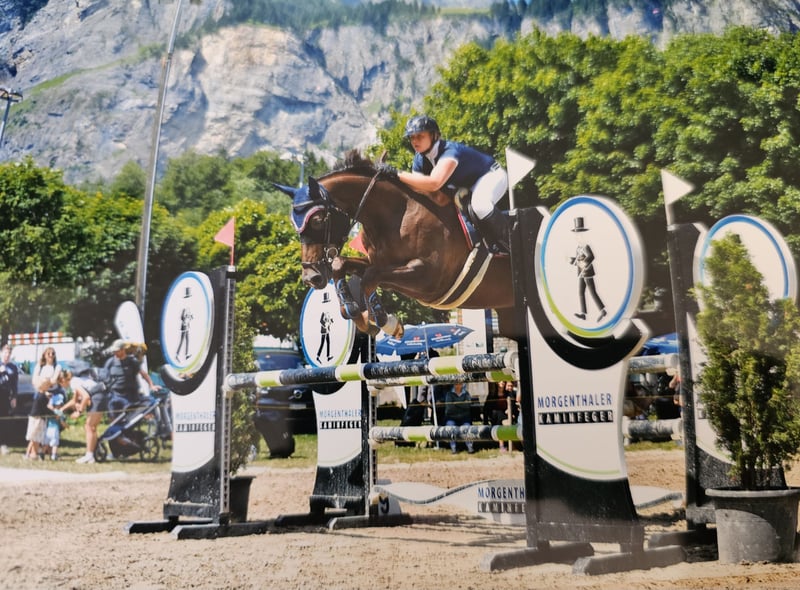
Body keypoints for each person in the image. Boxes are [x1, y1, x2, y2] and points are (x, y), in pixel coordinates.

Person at [379, 114, 510, 253]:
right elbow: (418, 188)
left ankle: (511, 245)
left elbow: (434, 183)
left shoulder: (450, 152)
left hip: (491, 176)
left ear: (434, 135)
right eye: (412, 137)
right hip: (467, 185)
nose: (415, 141)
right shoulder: (419, 160)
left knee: (480, 205)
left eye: (420, 136)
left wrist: (396, 173)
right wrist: (390, 179)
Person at [444, 381, 474, 454]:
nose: (458, 385)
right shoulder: (449, 394)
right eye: (456, 383)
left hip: (464, 417)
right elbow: (450, 408)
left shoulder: (466, 393)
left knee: (467, 427)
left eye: (460, 383)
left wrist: (455, 403)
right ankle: (453, 448)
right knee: (451, 427)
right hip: (451, 417)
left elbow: (468, 406)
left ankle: (470, 447)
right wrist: (462, 404)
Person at [482, 381, 508, 452]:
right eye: (500, 381)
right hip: (495, 416)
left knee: (500, 415)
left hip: (505, 415)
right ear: (497, 383)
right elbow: (486, 408)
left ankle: (502, 445)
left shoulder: (507, 394)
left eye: (504, 381)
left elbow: (512, 404)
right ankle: (501, 445)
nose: (502, 382)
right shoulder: (492, 395)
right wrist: (485, 421)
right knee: (498, 414)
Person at [0, 344, 19, 423]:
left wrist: (14, 397)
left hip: (7, 396)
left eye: (9, 353)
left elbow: (15, 384)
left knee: (5, 418)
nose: (7, 355)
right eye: (5, 353)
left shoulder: (13, 367)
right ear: (1, 353)